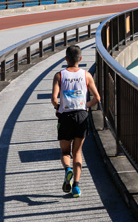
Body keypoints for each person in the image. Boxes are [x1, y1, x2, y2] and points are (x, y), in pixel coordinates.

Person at [51, 45, 101, 197]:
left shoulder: (59, 75)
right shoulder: (86, 75)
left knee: (65, 151)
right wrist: (85, 106)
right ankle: (76, 187)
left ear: (66, 59)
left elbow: (53, 99)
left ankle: (68, 170)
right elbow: (97, 98)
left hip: (66, 116)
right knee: (77, 151)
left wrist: (58, 107)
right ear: (80, 59)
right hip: (81, 116)